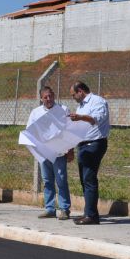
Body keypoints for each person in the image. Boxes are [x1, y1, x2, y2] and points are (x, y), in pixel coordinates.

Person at [27, 85, 72, 219]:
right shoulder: (35, 112)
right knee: (47, 181)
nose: (48, 99)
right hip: (44, 153)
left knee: (61, 180)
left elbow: (70, 131)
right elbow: (30, 131)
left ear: (54, 95)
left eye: (50, 96)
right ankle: (50, 208)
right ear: (41, 99)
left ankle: (64, 209)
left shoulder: (63, 110)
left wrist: (70, 150)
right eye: (45, 97)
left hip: (59, 152)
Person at [69, 81, 110, 225]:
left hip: (95, 144)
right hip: (83, 146)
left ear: (80, 91)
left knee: (89, 178)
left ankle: (92, 216)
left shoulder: (97, 101)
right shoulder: (81, 106)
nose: (73, 97)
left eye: (73, 94)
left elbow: (96, 120)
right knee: (85, 180)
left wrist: (80, 117)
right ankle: (88, 213)